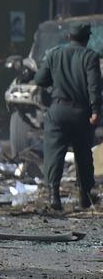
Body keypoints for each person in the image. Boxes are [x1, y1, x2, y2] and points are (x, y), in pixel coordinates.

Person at [34, 23, 101, 210]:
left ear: (69, 37)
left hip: (58, 111)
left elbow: (40, 79)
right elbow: (94, 87)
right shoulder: (91, 57)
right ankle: (86, 197)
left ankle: (54, 196)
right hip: (81, 113)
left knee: (54, 153)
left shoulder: (54, 54)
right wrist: (96, 111)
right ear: (87, 38)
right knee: (83, 155)